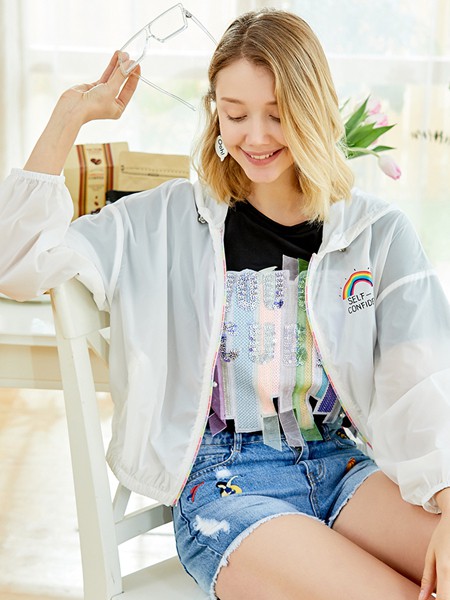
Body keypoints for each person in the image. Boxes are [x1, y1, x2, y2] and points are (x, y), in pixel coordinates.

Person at [0, 8, 449, 600]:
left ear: (314, 109)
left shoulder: (377, 233)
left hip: (342, 467)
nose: (255, 137)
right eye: (236, 115)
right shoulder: (163, 221)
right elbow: (17, 262)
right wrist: (69, 116)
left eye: (277, 114)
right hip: (227, 484)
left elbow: (422, 379)